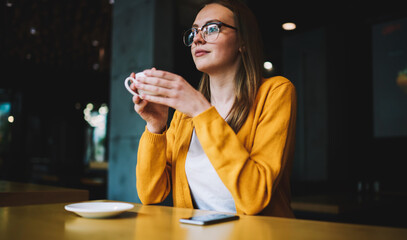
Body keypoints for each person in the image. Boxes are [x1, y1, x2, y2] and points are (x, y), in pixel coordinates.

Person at [129, 0, 296, 217]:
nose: (197, 39)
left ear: (243, 41)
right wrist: (156, 126)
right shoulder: (184, 114)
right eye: (194, 32)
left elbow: (254, 198)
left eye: (212, 28)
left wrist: (201, 111)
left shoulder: (275, 92)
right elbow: (151, 194)